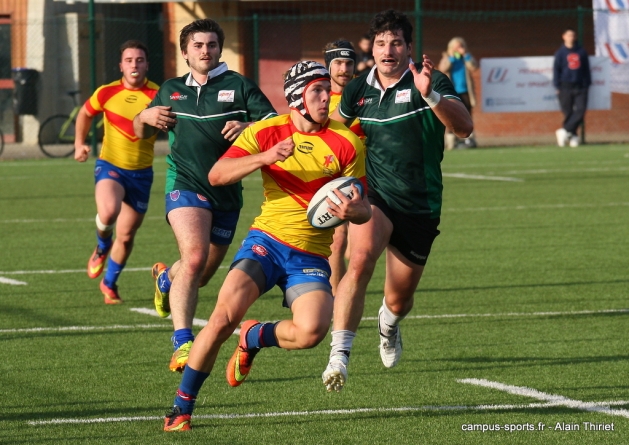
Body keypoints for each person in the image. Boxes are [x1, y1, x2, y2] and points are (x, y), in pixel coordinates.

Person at [162, 61, 371, 432]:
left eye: (327, 90)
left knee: (311, 332)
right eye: (317, 92)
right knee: (222, 319)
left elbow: (364, 206)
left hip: (309, 255)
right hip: (266, 243)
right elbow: (217, 174)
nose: (327, 98)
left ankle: (255, 335)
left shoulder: (347, 142)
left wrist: (356, 211)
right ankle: (181, 407)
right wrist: (265, 157)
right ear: (297, 97)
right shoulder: (266, 132)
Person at [322, 9, 473, 392]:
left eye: (396, 43)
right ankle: (338, 357)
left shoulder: (431, 80)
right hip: (377, 197)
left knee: (399, 299)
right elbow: (333, 134)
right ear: (371, 48)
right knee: (358, 260)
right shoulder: (357, 90)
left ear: (408, 48)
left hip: (420, 204)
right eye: (380, 43)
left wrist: (431, 95)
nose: (387, 50)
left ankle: (388, 324)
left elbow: (465, 127)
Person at [133, 18, 277, 373]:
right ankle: (183, 343)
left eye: (211, 45)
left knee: (200, 274)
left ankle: (166, 279)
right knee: (194, 257)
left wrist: (248, 126)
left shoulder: (239, 86)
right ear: (185, 52)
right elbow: (138, 130)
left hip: (227, 191)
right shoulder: (170, 89)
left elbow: (276, 126)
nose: (205, 51)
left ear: (219, 49)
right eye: (197, 45)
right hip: (184, 183)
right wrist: (145, 115)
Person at [75, 40, 159, 304]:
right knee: (108, 211)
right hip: (110, 166)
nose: (134, 64)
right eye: (129, 60)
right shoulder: (107, 92)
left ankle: (109, 284)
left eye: (139, 60)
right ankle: (101, 246)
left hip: (142, 173)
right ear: (121, 65)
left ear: (147, 64)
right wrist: (80, 143)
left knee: (126, 235)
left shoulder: (159, 95)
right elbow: (85, 113)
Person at [323, 39, 363, 295]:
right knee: (336, 243)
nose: (344, 69)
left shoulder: (365, 91)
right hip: (333, 176)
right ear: (328, 65)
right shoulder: (319, 94)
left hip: (369, 174)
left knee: (358, 250)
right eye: (338, 62)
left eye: (349, 63)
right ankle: (336, 302)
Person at [438, 37, 478, 149]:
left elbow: (474, 66)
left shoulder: (465, 57)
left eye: (460, 46)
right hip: (452, 91)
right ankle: (451, 142)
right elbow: (443, 68)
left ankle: (469, 140)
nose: (459, 49)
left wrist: (465, 54)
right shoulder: (448, 57)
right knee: (451, 115)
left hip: (465, 91)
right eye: (456, 46)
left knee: (467, 115)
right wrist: (450, 57)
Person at [553, 28, 591, 148]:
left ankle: (564, 131)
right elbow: (556, 70)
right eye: (569, 35)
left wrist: (587, 84)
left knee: (580, 110)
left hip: (580, 86)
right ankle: (573, 136)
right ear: (563, 36)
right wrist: (557, 85)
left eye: (573, 35)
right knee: (568, 112)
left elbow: (586, 69)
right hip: (565, 86)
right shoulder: (560, 53)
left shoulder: (581, 51)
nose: (571, 37)